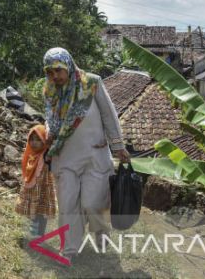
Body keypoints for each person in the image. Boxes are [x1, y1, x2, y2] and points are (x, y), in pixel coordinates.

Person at [42, 47, 129, 263]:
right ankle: (70, 248)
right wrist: (49, 133)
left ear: (68, 65)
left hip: (95, 154)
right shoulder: (50, 92)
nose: (55, 76)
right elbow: (50, 118)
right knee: (68, 204)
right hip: (65, 156)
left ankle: (101, 231)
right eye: (50, 72)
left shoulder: (92, 83)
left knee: (92, 203)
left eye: (58, 70)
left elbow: (109, 115)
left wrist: (118, 146)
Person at [14, 124, 57, 242]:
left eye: (38, 139)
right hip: (32, 189)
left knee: (41, 212)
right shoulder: (31, 154)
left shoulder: (46, 154)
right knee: (33, 212)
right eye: (31, 139)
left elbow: (54, 149)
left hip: (43, 189)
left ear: (44, 140)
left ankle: (40, 236)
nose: (34, 142)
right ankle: (34, 234)